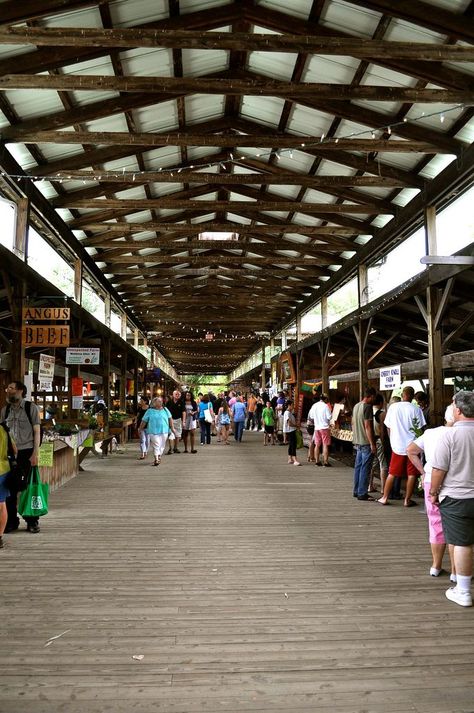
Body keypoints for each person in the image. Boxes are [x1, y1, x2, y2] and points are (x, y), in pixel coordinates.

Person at [430, 391, 474, 607]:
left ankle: (464, 591)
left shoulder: (448, 435)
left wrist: (433, 492)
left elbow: (438, 469)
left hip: (457, 497)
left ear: (457, 410)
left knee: (463, 543)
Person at [407, 414, 456, 580]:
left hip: (430, 481)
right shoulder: (465, 434)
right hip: (456, 484)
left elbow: (411, 450)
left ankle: (436, 565)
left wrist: (423, 471)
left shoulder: (430, 433)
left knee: (436, 523)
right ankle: (457, 571)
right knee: (457, 526)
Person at [1, 381, 41, 534]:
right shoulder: (5, 411)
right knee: (9, 487)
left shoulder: (31, 408)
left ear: (20, 391)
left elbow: (37, 431)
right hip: (9, 454)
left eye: (11, 388)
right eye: (8, 389)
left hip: (26, 452)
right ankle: (11, 521)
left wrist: (35, 453)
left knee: (26, 487)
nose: (8, 391)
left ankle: (32, 521)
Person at [377, 386, 426, 507]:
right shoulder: (416, 409)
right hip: (412, 446)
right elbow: (420, 429)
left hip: (397, 445)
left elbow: (388, 426)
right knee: (412, 474)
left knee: (392, 473)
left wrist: (392, 439)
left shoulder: (393, 407)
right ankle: (407, 500)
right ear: (412, 396)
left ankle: (384, 497)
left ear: (403, 395)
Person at [352, 387, 377, 501]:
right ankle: (362, 492)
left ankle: (356, 490)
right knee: (365, 468)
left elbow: (353, 423)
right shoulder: (367, 407)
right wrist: (372, 443)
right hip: (366, 442)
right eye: (374, 397)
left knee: (358, 467)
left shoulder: (356, 406)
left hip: (357, 441)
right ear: (370, 396)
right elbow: (368, 426)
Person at [139, 397, 175, 466]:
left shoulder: (165, 409)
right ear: (154, 403)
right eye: (158, 401)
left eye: (161, 401)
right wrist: (140, 428)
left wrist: (172, 427)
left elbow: (170, 418)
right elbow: (144, 420)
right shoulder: (149, 411)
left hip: (164, 430)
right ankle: (156, 458)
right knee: (156, 444)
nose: (160, 402)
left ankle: (159, 455)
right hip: (153, 430)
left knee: (162, 445)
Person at [0, 420, 16, 549]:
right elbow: (15, 449)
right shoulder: (4, 429)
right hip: (4, 469)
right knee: (2, 504)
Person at [369, 393, 389, 493]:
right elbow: (383, 430)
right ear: (381, 403)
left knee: (372, 464)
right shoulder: (381, 414)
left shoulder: (368, 411)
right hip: (379, 440)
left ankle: (369, 485)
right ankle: (383, 489)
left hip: (369, 440)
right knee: (383, 464)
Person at [309, 394, 332, 467]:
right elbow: (329, 417)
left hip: (317, 428)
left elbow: (311, 416)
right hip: (324, 427)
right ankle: (325, 462)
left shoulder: (314, 405)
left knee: (317, 445)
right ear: (325, 399)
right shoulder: (326, 406)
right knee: (325, 444)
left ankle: (317, 461)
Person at [165, 389, 184, 454]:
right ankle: (171, 448)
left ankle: (176, 448)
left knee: (178, 434)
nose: (177, 395)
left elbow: (183, 412)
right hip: (170, 420)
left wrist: (183, 421)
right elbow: (165, 412)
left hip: (178, 419)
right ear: (173, 395)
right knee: (170, 434)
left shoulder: (181, 402)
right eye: (176, 394)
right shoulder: (169, 402)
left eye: (179, 394)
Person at [283, 400, 301, 466]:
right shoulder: (287, 413)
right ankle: (295, 459)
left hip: (291, 430)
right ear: (289, 405)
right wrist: (296, 425)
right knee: (293, 445)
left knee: (291, 445)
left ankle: (290, 458)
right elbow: (289, 423)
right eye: (292, 405)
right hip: (290, 431)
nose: (293, 406)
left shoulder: (289, 413)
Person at [136, 395, 150, 460]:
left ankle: (146, 451)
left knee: (147, 440)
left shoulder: (150, 409)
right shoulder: (140, 408)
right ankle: (142, 453)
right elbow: (138, 416)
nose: (140, 401)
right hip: (140, 425)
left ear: (145, 401)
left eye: (141, 400)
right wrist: (136, 422)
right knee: (142, 440)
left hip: (148, 426)